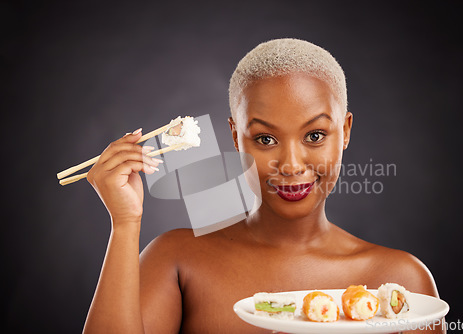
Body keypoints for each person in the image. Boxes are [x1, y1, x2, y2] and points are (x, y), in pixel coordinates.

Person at [83, 38, 443, 333]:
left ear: (345, 131)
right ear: (236, 137)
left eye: (315, 135)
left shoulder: (398, 281)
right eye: (265, 139)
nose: (290, 165)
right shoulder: (176, 260)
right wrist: (125, 223)